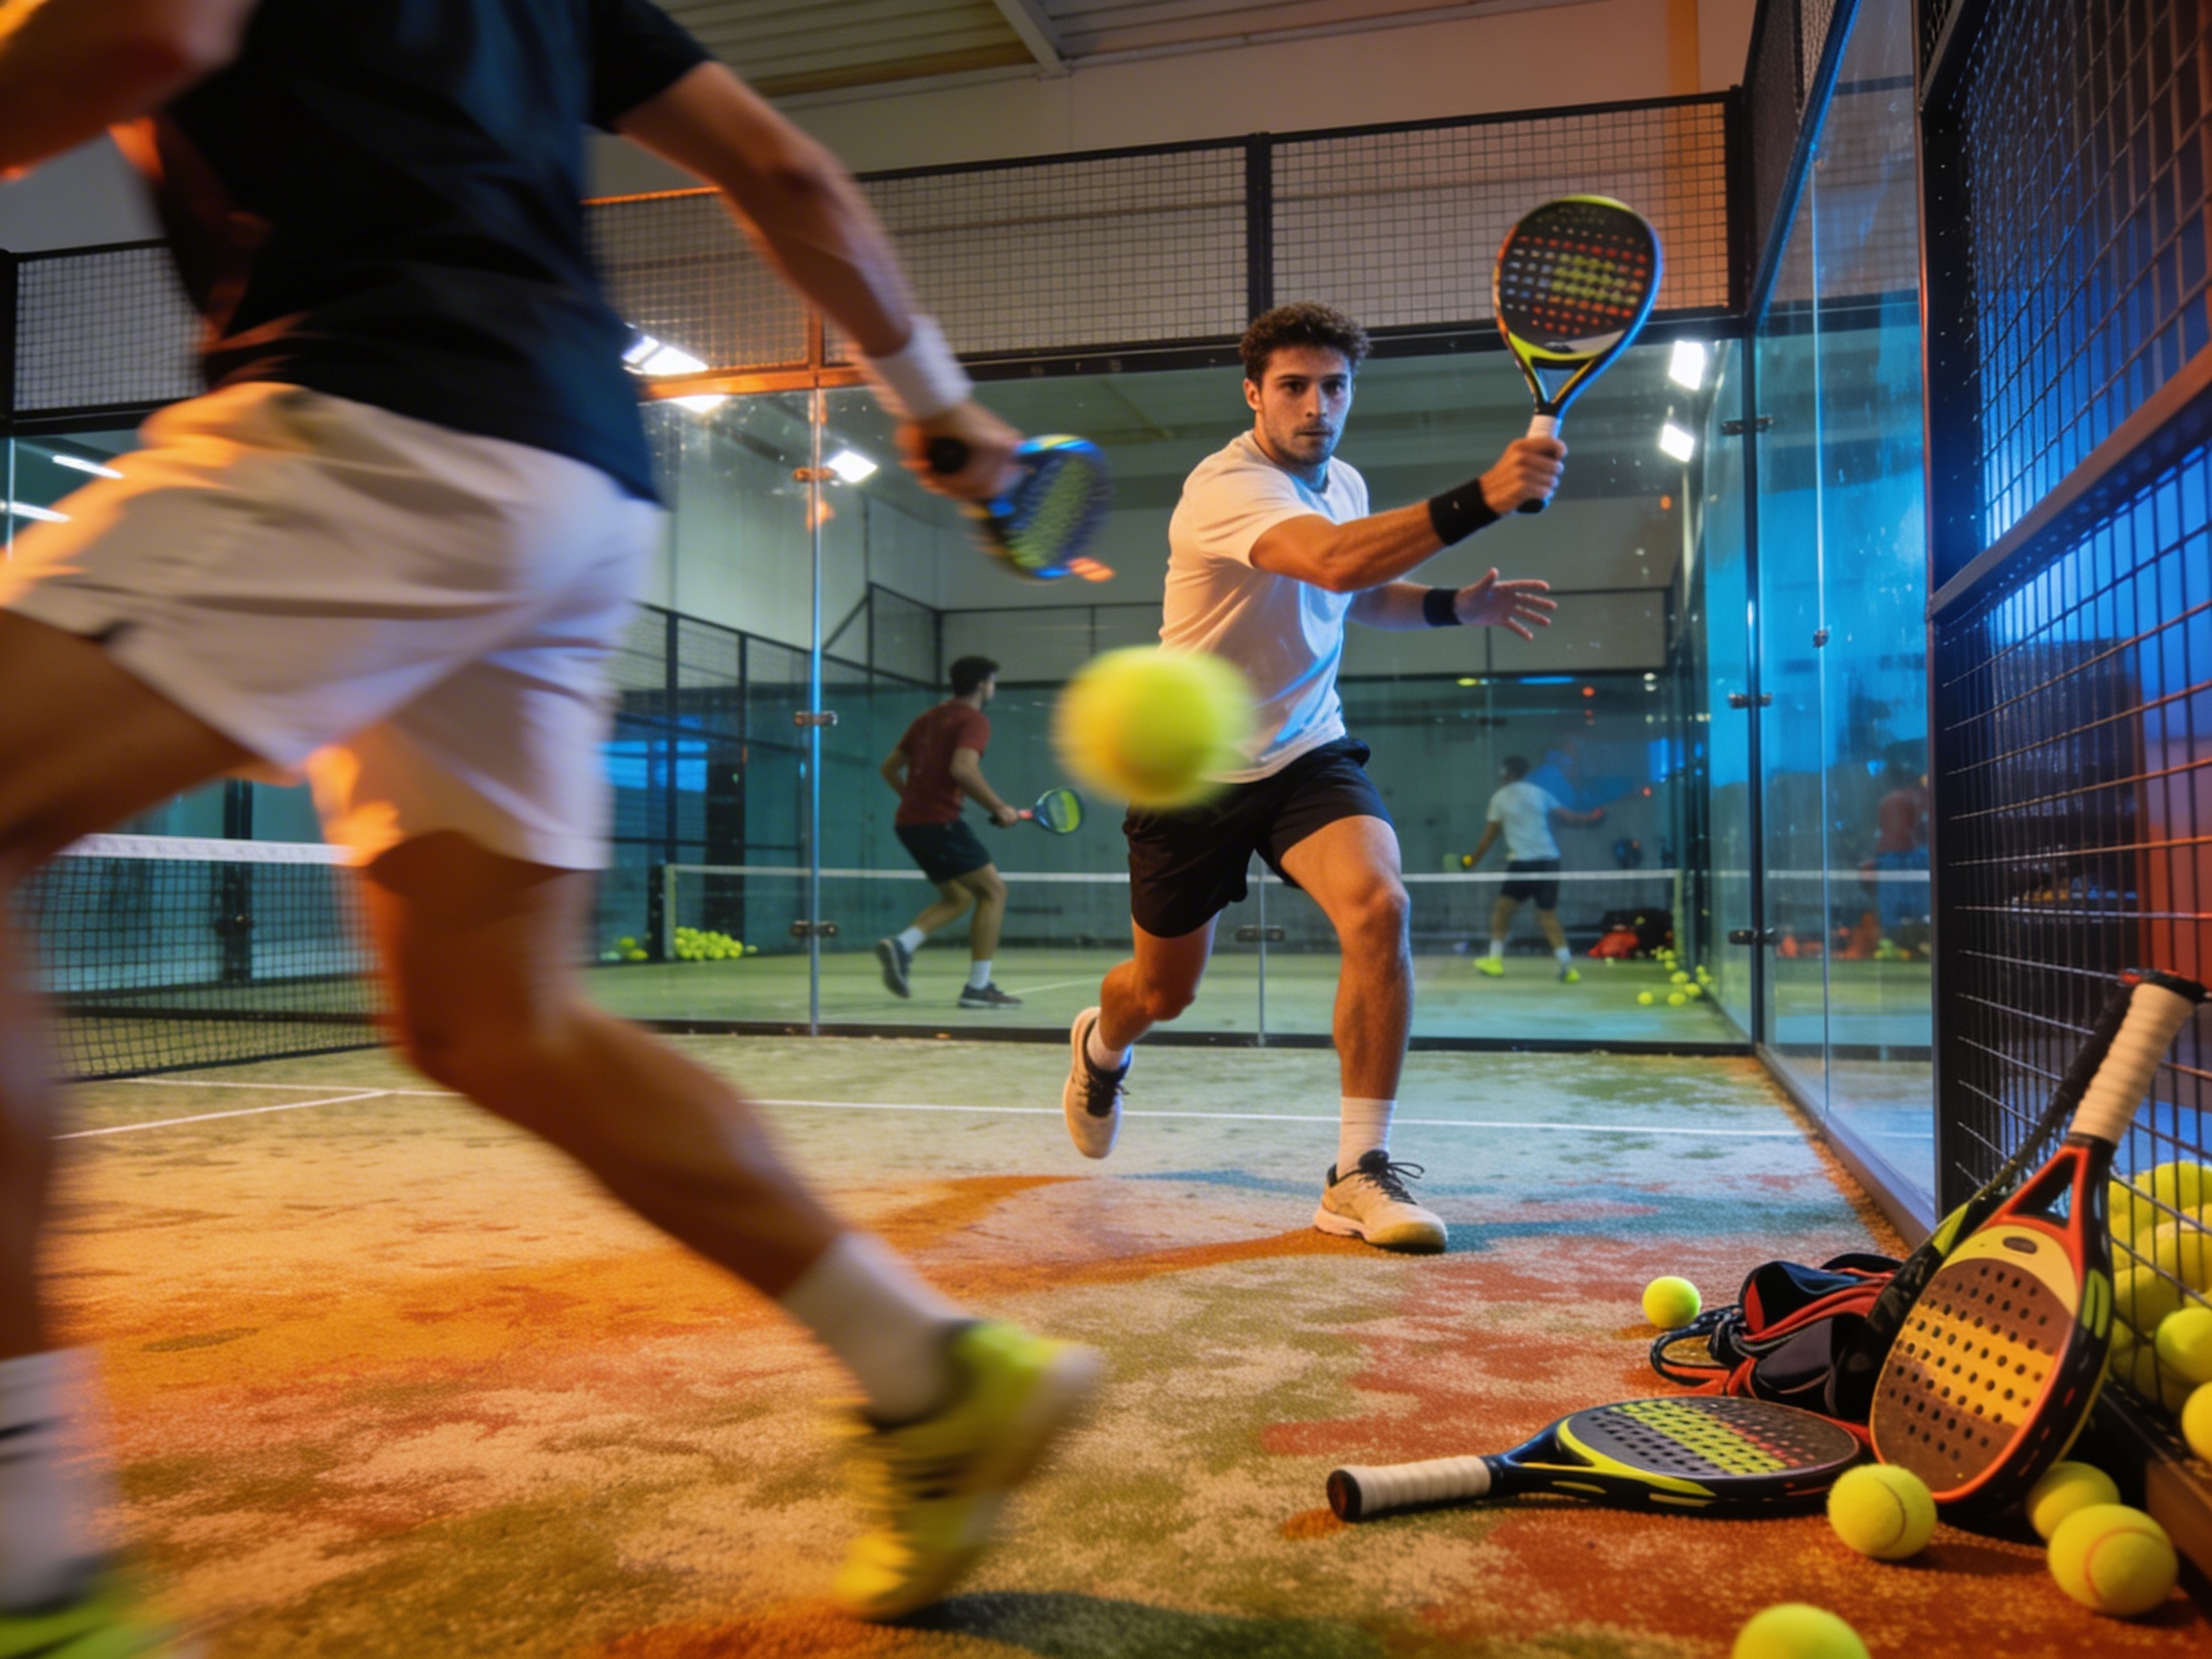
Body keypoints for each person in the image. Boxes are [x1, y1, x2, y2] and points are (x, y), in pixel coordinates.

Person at [0, 1, 1099, 1645]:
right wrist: (939, 404)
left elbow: (151, 29)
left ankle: (30, 1568)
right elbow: (786, 171)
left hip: (367, 422)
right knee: (493, 1020)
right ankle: (926, 1367)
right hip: (572, 482)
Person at [1058, 301, 1563, 1254]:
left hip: (1306, 752)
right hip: (1190, 772)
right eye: (1293, 386)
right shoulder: (1225, 485)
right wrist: (1486, 495)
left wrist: (1454, 607)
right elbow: (1330, 563)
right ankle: (1101, 1045)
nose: (1316, 406)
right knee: (1162, 993)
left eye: (1335, 387)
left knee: (1381, 906)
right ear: (1253, 394)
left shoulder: (1345, 481)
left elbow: (1360, 592)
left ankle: (1356, 1172)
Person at [876, 656, 1023, 1009]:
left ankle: (903, 945)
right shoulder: (973, 719)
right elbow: (963, 769)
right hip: (938, 822)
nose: (993, 688)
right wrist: (999, 808)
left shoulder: (928, 718)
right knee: (994, 892)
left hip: (909, 824)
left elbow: (889, 768)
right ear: (983, 684)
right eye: (992, 681)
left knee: (958, 896)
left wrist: (914, 800)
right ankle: (978, 988)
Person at [1465, 755, 1606, 981]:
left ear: (1506, 773)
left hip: (1522, 864)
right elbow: (1569, 817)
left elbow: (1489, 837)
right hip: (1549, 861)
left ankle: (1494, 961)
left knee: (1502, 911)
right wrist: (1591, 817)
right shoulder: (1539, 793)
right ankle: (1568, 967)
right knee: (1547, 915)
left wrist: (1472, 861)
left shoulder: (1500, 797)